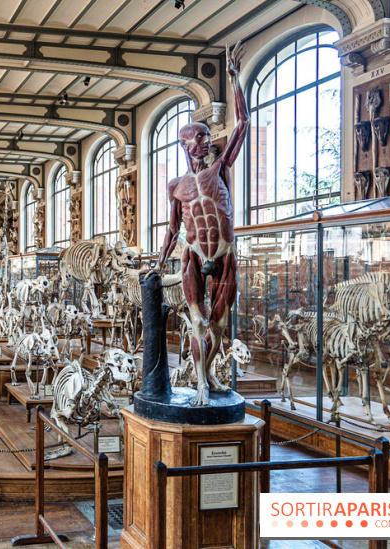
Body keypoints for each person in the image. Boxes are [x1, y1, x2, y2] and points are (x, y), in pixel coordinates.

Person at [149, 42, 248, 406]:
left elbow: (243, 125)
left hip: (224, 253)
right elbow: (173, 228)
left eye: (207, 137)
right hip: (191, 254)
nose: (207, 141)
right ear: (188, 143)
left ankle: (209, 374)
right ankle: (201, 386)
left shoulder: (219, 168)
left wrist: (235, 81)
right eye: (201, 137)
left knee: (219, 324)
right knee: (197, 321)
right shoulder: (176, 186)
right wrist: (160, 262)